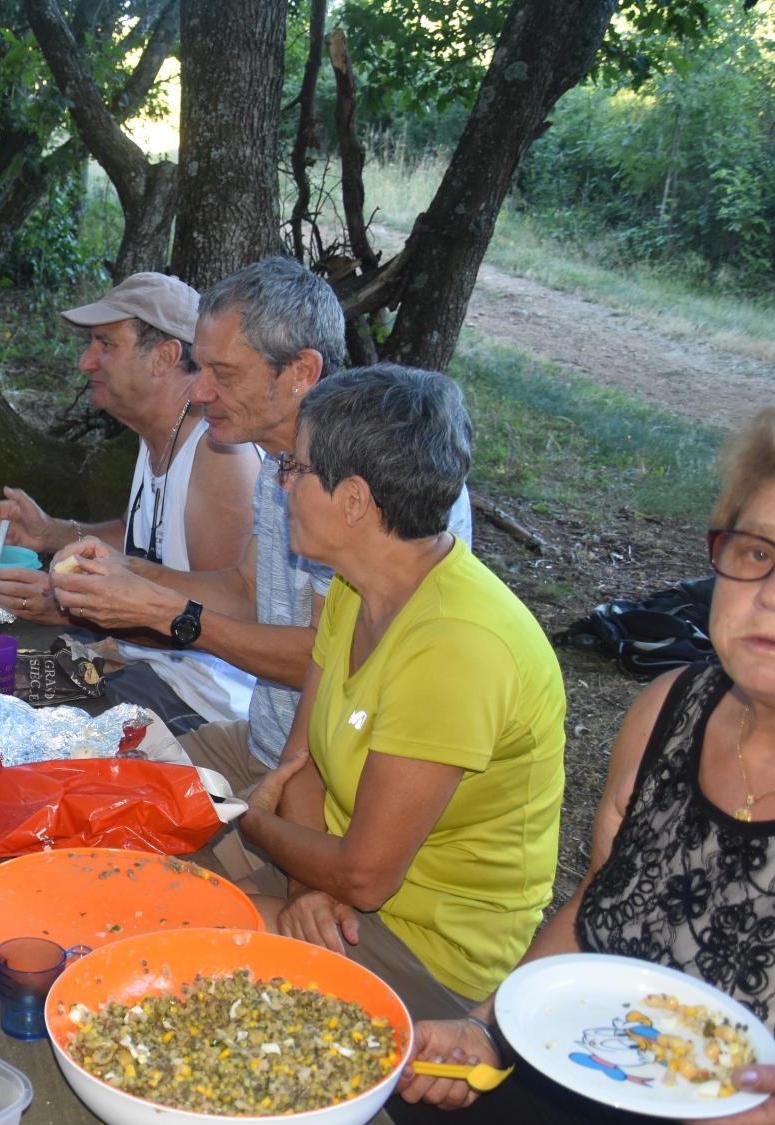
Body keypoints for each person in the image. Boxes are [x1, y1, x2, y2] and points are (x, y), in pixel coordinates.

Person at [275, 411, 775, 1125]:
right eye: (758, 551)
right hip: (593, 1105)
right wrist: (493, 1029)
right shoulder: (669, 711)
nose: (770, 593)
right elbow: (599, 907)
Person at [47, 257, 471, 874]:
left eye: (222, 372)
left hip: (324, 787)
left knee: (136, 880)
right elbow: (247, 590)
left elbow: (326, 661)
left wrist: (171, 615)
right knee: (80, 803)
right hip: (262, 740)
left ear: (301, 372)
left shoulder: (360, 486)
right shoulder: (280, 457)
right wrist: (125, 572)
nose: (198, 391)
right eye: (200, 366)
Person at [233, 366, 565, 1016]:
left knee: (173, 929)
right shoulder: (356, 590)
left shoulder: (457, 645)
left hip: (433, 955)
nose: (282, 483)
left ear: (354, 500)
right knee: (163, 887)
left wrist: (250, 820)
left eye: (296, 469)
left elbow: (366, 875)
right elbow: (302, 768)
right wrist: (306, 888)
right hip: (338, 895)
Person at [0, 272, 260, 732]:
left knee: (11, 732)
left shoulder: (218, 452)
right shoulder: (158, 436)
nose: (87, 362)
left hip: (204, 699)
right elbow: (150, 539)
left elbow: (222, 623)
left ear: (165, 357)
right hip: (143, 663)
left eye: (106, 345)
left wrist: (72, 609)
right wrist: (54, 532)